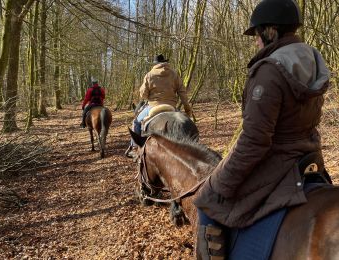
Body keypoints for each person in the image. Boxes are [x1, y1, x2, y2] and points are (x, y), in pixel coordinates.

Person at [193, 0, 331, 259]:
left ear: (270, 31)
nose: (255, 42)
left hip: (275, 162)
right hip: (308, 157)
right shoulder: (312, 65)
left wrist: (221, 183)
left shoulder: (269, 71)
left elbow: (255, 141)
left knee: (206, 200)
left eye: (256, 35)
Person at [125, 54, 192, 157]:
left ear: (155, 64)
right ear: (165, 62)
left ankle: (134, 147)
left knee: (136, 122)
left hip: (153, 106)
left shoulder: (149, 75)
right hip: (171, 107)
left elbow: (143, 94)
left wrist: (148, 95)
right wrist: (187, 109)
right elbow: (182, 92)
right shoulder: (174, 74)